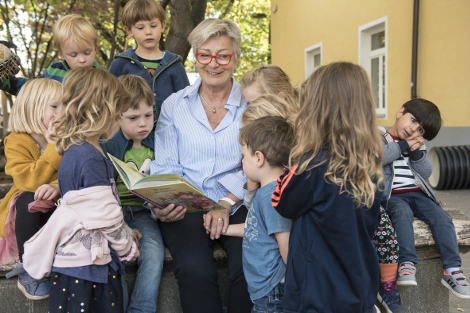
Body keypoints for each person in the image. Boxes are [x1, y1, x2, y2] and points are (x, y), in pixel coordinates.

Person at [149, 18, 252, 313]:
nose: (213, 63)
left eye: (223, 54)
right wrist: (164, 203)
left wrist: (225, 201)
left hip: (240, 200)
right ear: (195, 57)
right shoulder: (174, 105)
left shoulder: (252, 105)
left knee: (249, 264)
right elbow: (167, 165)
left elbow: (259, 162)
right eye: (204, 54)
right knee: (194, 268)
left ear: (235, 58)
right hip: (188, 204)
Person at [21, 67, 140, 313]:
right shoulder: (89, 157)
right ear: (103, 112)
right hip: (87, 271)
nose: (119, 119)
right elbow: (105, 215)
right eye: (118, 112)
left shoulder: (79, 150)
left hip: (76, 265)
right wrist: (127, 246)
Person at [272, 62, 384, 313]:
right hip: (358, 288)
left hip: (317, 295)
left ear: (318, 112)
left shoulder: (313, 165)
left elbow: (281, 201)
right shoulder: (369, 166)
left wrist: (298, 152)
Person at [381, 98, 470, 299]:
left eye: (420, 130)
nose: (414, 131)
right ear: (399, 112)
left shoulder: (416, 147)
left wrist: (416, 154)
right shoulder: (381, 137)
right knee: (402, 216)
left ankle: (452, 270)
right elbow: (380, 157)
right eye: (412, 120)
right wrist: (403, 145)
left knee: (442, 217)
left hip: (417, 194)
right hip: (393, 197)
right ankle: (406, 263)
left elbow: (426, 172)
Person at [210, 116, 294, 313]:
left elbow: (286, 243)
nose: (241, 162)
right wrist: (225, 229)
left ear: (258, 158)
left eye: (243, 156)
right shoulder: (266, 191)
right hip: (266, 289)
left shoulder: (272, 195)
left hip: (274, 289)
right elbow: (257, 227)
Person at [100, 74, 165, 313]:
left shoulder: (157, 143)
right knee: (112, 257)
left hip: (142, 213)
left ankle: (142, 308)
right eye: (133, 118)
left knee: (154, 255)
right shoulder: (108, 144)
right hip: (111, 214)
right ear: (116, 115)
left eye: (148, 115)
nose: (143, 124)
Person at [1, 79, 62, 300]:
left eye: (66, 106)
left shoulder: (68, 140)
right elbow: (29, 180)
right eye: (55, 106)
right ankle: (28, 267)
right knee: (28, 199)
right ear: (32, 107)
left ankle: (64, 260)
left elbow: (77, 173)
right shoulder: (16, 141)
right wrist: (54, 146)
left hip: (59, 204)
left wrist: (57, 186)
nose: (62, 112)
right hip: (28, 211)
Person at [108, 0, 189, 118]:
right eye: (140, 28)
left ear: (162, 26)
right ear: (129, 31)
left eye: (153, 26)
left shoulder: (174, 65)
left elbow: (186, 104)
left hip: (168, 132)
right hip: (130, 134)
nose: (148, 32)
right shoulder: (120, 64)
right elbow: (108, 100)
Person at [0, 14, 100, 95]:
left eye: (87, 53)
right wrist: (3, 81)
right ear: (61, 54)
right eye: (73, 55)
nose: (82, 59)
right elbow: (30, 90)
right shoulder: (54, 72)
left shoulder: (100, 79)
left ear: (95, 49)